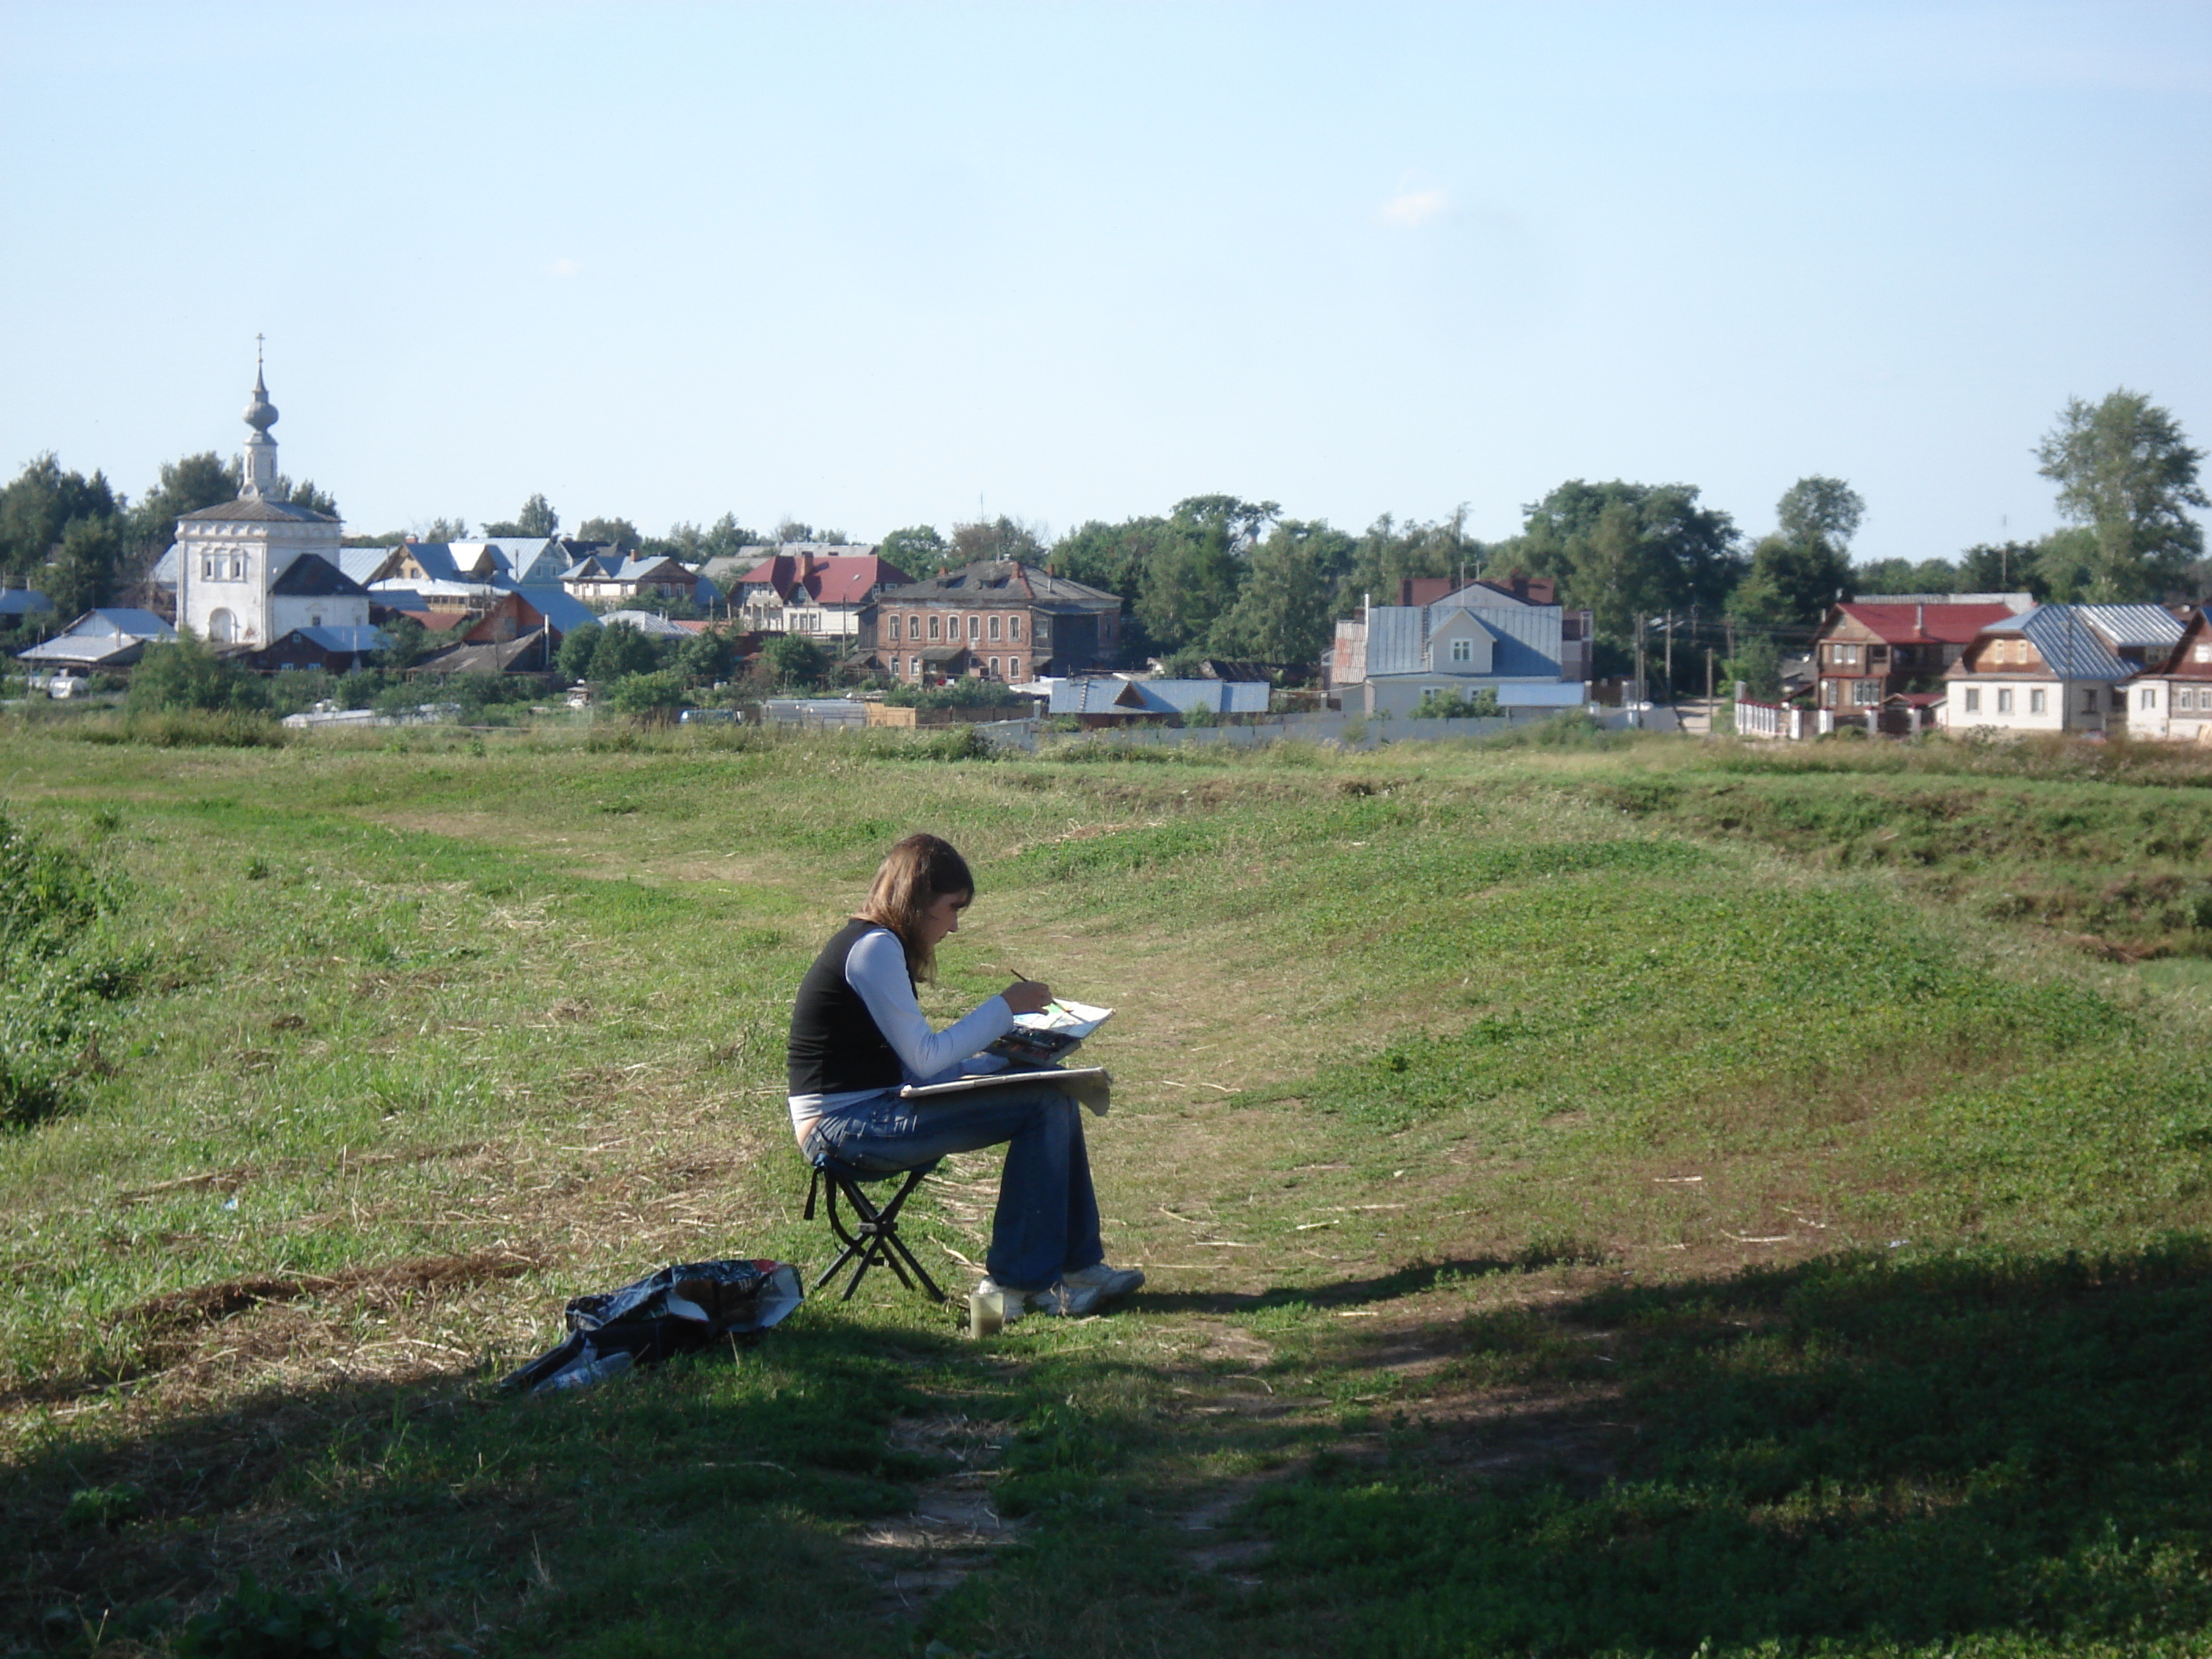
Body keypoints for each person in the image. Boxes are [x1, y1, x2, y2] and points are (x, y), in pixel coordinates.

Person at [786, 832, 1143, 1317]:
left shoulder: (878, 945)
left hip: (872, 1109)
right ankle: (1013, 1289)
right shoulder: (873, 948)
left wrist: (1002, 1062)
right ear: (917, 900)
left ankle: (1077, 1265)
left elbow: (914, 1064)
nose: (954, 926)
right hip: (842, 1129)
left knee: (1054, 1092)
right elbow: (928, 1059)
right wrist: (1005, 1008)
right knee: (1042, 1105)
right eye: (952, 908)